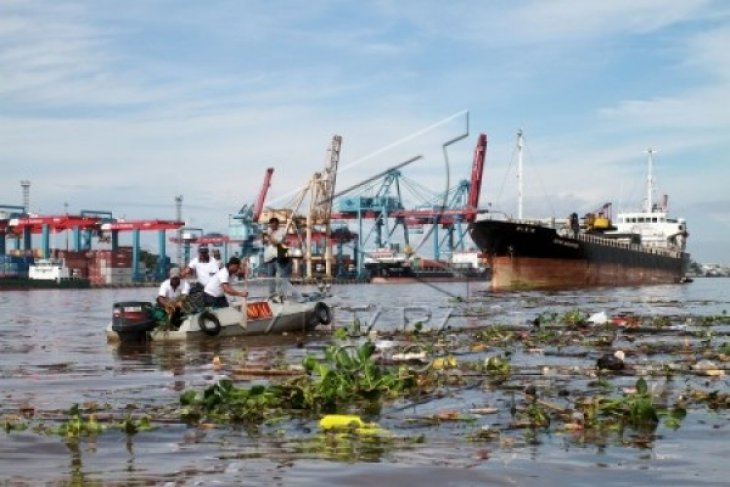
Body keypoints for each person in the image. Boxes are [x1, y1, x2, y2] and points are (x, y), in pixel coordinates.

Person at [262, 217, 292, 296]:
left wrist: (269, 236)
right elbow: (264, 242)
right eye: (271, 225)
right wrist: (264, 237)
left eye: (274, 225)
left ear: (277, 224)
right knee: (270, 277)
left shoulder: (282, 231)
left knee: (281, 276)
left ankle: (282, 294)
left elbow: (276, 243)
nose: (272, 227)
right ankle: (272, 294)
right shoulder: (268, 231)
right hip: (269, 259)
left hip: (278, 258)